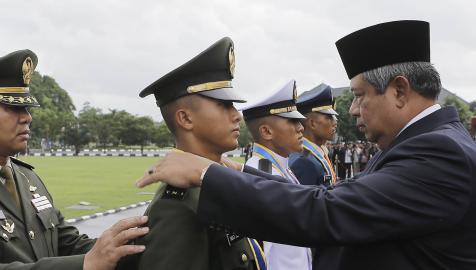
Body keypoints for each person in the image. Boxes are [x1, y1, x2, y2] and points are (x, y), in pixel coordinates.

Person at [137, 20, 476, 269]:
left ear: (400, 91)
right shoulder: (430, 145)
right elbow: (339, 198)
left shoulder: (438, 153)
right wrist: (235, 171)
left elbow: (329, 210)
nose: (353, 109)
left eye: (359, 96)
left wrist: (208, 173)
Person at [0, 50, 148, 269]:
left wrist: (133, 246)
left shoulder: (27, 178)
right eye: (14, 107)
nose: (27, 117)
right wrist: (86, 264)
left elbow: (67, 244)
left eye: (27, 108)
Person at [129, 37, 266, 270]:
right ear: (185, 118)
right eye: (224, 105)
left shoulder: (214, 183)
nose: (237, 115)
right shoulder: (179, 205)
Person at [241, 79, 311, 270]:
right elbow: (262, 253)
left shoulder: (279, 168)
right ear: (266, 131)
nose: (301, 127)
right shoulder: (261, 175)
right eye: (292, 121)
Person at [288, 83, 338, 186]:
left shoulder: (314, 155)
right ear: (312, 123)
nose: (335, 122)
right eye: (329, 117)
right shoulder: (304, 162)